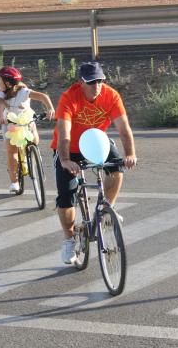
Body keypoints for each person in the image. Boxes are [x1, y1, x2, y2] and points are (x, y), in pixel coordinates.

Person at [51, 61, 137, 264]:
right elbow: (64, 133)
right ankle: (69, 240)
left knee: (117, 166)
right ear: (81, 82)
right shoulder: (69, 97)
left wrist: (130, 154)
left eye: (100, 80)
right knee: (66, 196)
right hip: (69, 147)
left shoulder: (111, 95)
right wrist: (65, 160)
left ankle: (107, 210)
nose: (96, 86)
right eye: (91, 82)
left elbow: (124, 129)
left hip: (97, 142)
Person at [0, 66, 55, 193]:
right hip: (10, 122)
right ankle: (14, 182)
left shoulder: (24, 92)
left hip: (26, 120)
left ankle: (33, 155)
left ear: (8, 83)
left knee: (34, 140)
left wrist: (50, 108)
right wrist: (1, 117)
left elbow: (43, 97)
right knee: (12, 152)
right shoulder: (1, 94)